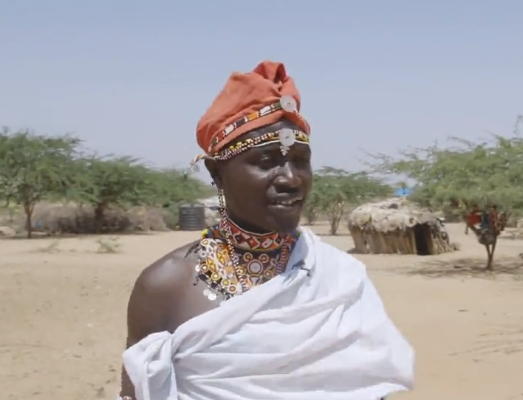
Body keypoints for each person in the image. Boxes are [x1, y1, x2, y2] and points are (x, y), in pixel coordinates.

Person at [117, 61, 415, 400]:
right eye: (266, 161)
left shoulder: (339, 278)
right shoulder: (165, 286)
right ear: (217, 173)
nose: (291, 179)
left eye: (301, 160)